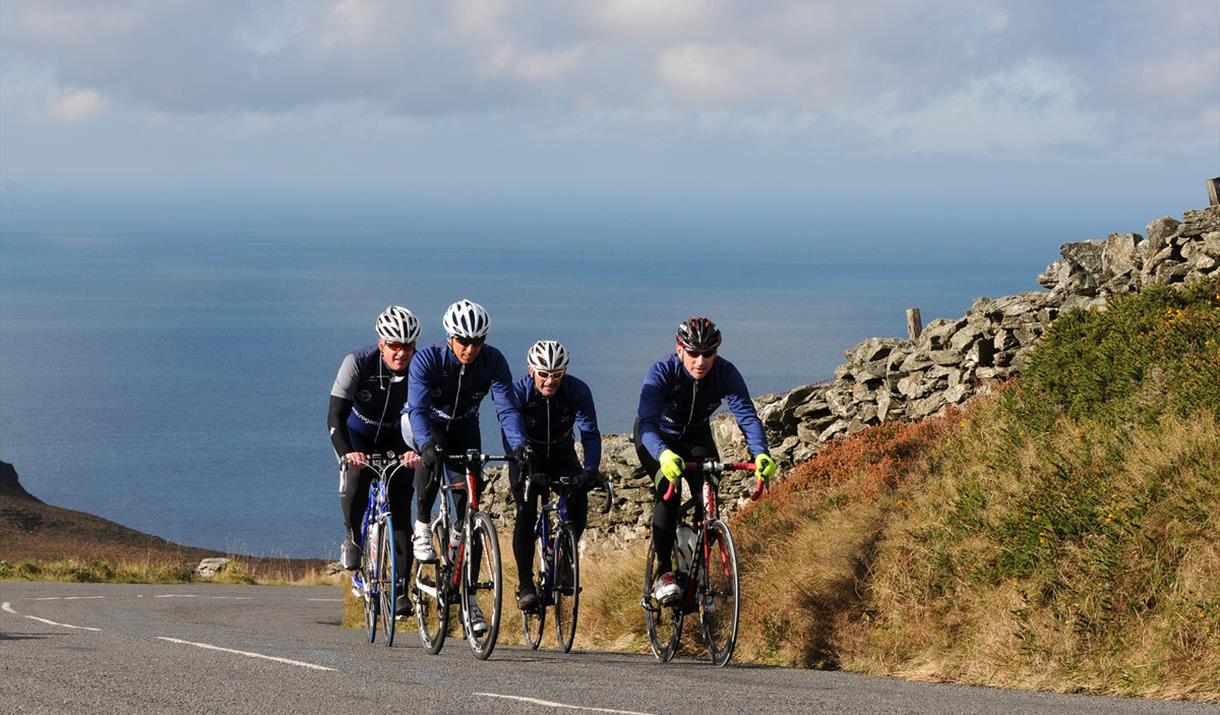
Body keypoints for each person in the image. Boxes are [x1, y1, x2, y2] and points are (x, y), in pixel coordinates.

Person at [404, 299, 531, 635]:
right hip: (426, 422)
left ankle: (468, 599)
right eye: (463, 341)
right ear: (450, 337)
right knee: (432, 458)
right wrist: (426, 444)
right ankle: (421, 527)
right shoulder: (428, 359)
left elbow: (506, 409)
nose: (470, 349)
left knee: (468, 511)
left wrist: (518, 446)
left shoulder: (493, 361)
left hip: (464, 426)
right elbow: (416, 408)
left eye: (478, 342)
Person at [635, 316, 777, 605]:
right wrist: (663, 454)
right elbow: (647, 423)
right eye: (693, 353)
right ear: (679, 349)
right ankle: (663, 572)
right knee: (669, 496)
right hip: (657, 437)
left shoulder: (725, 373)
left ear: (717, 350)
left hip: (696, 437)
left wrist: (761, 452)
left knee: (709, 497)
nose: (700, 361)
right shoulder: (661, 372)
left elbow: (747, 416)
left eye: (708, 354)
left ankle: (697, 572)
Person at [328, 305, 422, 617]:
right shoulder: (357, 363)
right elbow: (334, 417)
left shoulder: (419, 369)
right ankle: (353, 538)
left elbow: (426, 417)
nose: (401, 353)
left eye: (408, 347)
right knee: (356, 478)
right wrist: (347, 454)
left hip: (399, 441)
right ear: (381, 343)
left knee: (399, 511)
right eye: (394, 346)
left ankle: (399, 594)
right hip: (359, 438)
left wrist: (417, 449)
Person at [505, 340, 601, 611]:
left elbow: (590, 433)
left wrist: (591, 470)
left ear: (564, 372)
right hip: (527, 455)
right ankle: (525, 584)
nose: (550, 381)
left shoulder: (577, 390)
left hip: (561, 452)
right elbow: (509, 430)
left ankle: (563, 554)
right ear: (531, 370)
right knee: (526, 511)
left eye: (557, 374)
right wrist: (525, 465)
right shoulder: (519, 392)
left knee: (578, 498)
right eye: (544, 374)